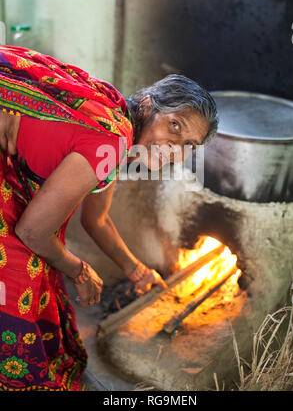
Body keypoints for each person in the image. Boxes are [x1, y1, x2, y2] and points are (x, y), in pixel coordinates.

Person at [0, 45, 218, 391]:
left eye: (189, 144)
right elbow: (32, 231)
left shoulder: (116, 117)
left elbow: (96, 219)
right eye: (174, 126)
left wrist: (137, 270)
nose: (176, 148)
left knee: (44, 262)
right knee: (21, 271)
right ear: (149, 106)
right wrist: (79, 269)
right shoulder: (113, 140)